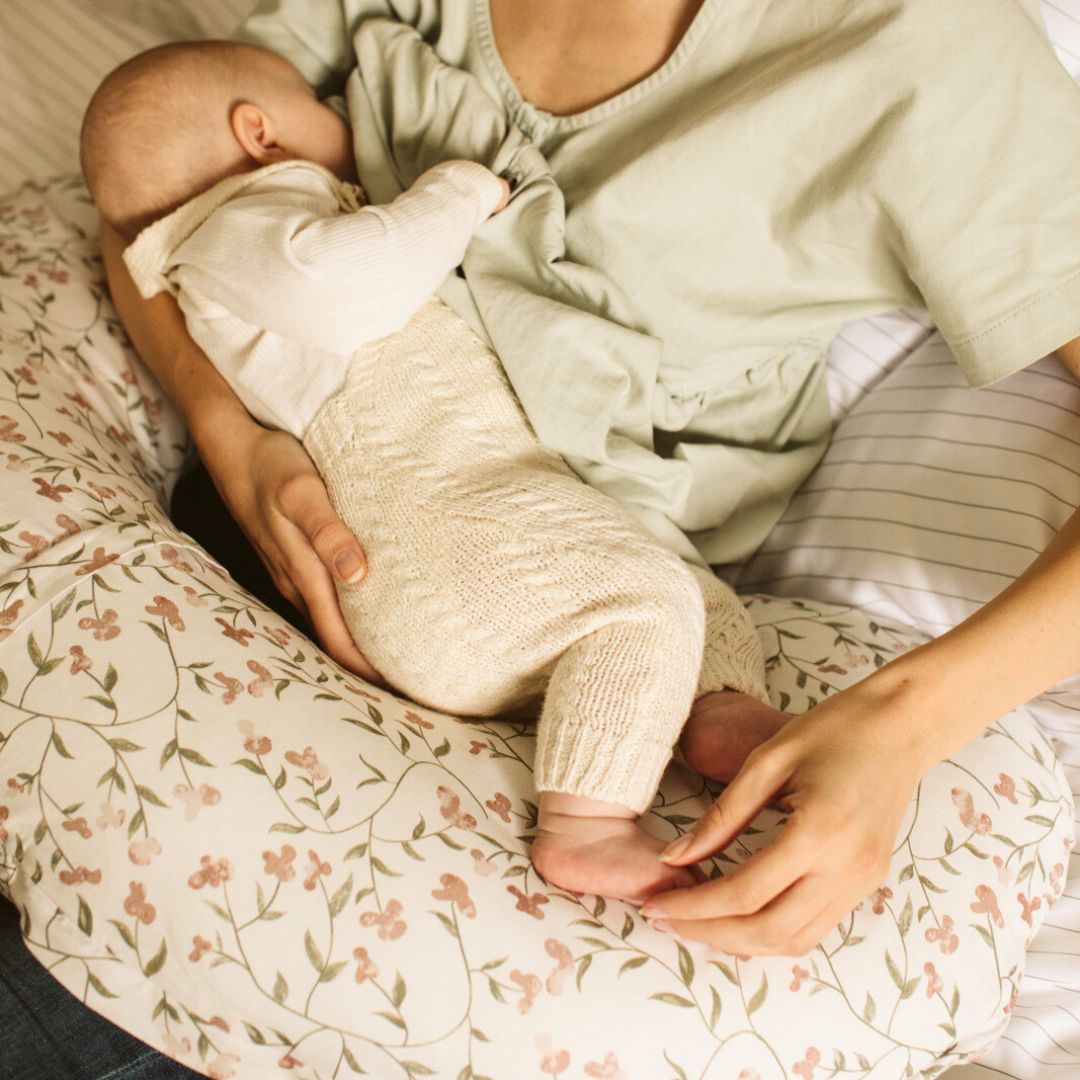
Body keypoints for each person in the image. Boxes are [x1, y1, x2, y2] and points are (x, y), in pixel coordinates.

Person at [95, 0, 1080, 961]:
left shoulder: (932, 48)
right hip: (280, 550)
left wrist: (902, 721)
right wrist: (235, 440)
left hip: (588, 637)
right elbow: (151, 190)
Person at [80, 38, 775, 904]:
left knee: (686, 590)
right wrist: (457, 190)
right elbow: (356, 282)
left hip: (467, 543)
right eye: (316, 104)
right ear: (258, 132)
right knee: (640, 602)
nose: (341, 123)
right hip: (439, 543)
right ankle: (587, 826)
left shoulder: (228, 260)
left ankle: (712, 712)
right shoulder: (244, 227)